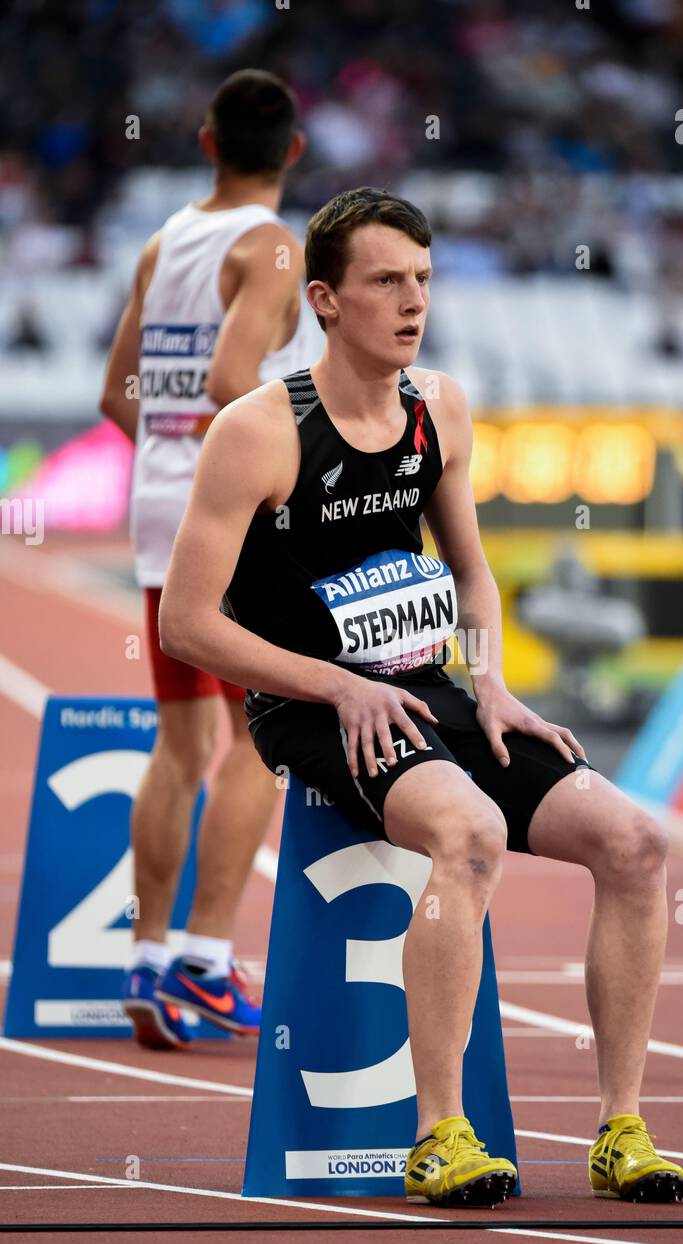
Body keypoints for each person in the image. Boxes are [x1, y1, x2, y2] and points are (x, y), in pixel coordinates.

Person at [159, 186, 683, 1207]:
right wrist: (332, 684)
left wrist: (491, 680)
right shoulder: (257, 431)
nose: (413, 302)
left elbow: (473, 569)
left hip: (431, 687)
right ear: (324, 298)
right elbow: (189, 624)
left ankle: (621, 1126)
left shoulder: (437, 408)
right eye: (387, 281)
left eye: (425, 280)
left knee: (636, 840)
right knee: (472, 830)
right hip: (311, 705)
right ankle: (441, 1133)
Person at [100, 70, 317, 1049]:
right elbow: (236, 378)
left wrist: (174, 455)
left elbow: (117, 394)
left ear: (204, 141)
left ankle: (147, 958)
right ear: (296, 151)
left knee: (182, 745)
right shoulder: (273, 243)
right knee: (260, 743)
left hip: (157, 510)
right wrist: (279, 463)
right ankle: (207, 956)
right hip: (224, 521)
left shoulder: (164, 241)